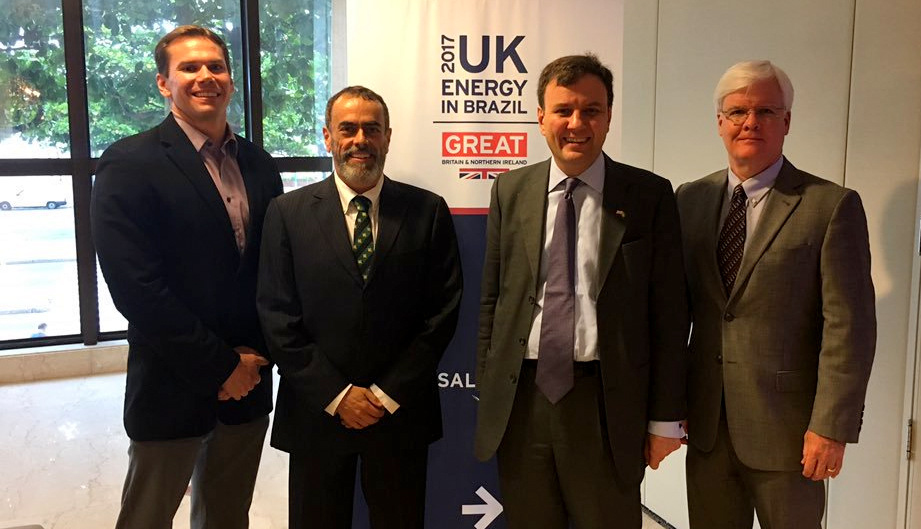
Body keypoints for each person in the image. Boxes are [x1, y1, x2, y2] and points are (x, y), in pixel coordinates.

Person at [473, 54, 688, 529]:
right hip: (522, 402)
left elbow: (670, 316)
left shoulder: (648, 195)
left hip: (607, 405)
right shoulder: (510, 190)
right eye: (564, 110)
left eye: (591, 110)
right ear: (540, 117)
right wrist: (489, 392)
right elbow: (493, 299)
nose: (577, 123)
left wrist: (665, 419)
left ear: (608, 117)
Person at [92, 25, 283, 529]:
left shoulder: (261, 167)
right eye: (189, 68)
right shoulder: (129, 163)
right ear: (163, 83)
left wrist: (250, 361)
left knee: (227, 519)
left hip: (249, 385)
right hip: (172, 384)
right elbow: (136, 289)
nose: (205, 77)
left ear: (231, 80)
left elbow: (273, 273)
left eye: (216, 67)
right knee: (146, 519)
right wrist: (221, 366)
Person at [675, 60, 876, 528]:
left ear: (786, 122)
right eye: (738, 111)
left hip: (790, 434)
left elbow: (850, 327)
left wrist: (831, 426)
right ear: (720, 123)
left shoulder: (830, 206)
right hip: (705, 428)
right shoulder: (689, 199)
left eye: (766, 110)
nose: (750, 122)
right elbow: (675, 311)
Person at [257, 86, 463, 528]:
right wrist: (337, 396)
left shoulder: (427, 211)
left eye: (372, 129)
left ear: (388, 137)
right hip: (317, 412)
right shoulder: (287, 213)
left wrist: (384, 395)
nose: (360, 140)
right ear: (328, 137)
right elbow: (277, 315)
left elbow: (442, 311)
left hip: (399, 413)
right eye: (347, 129)